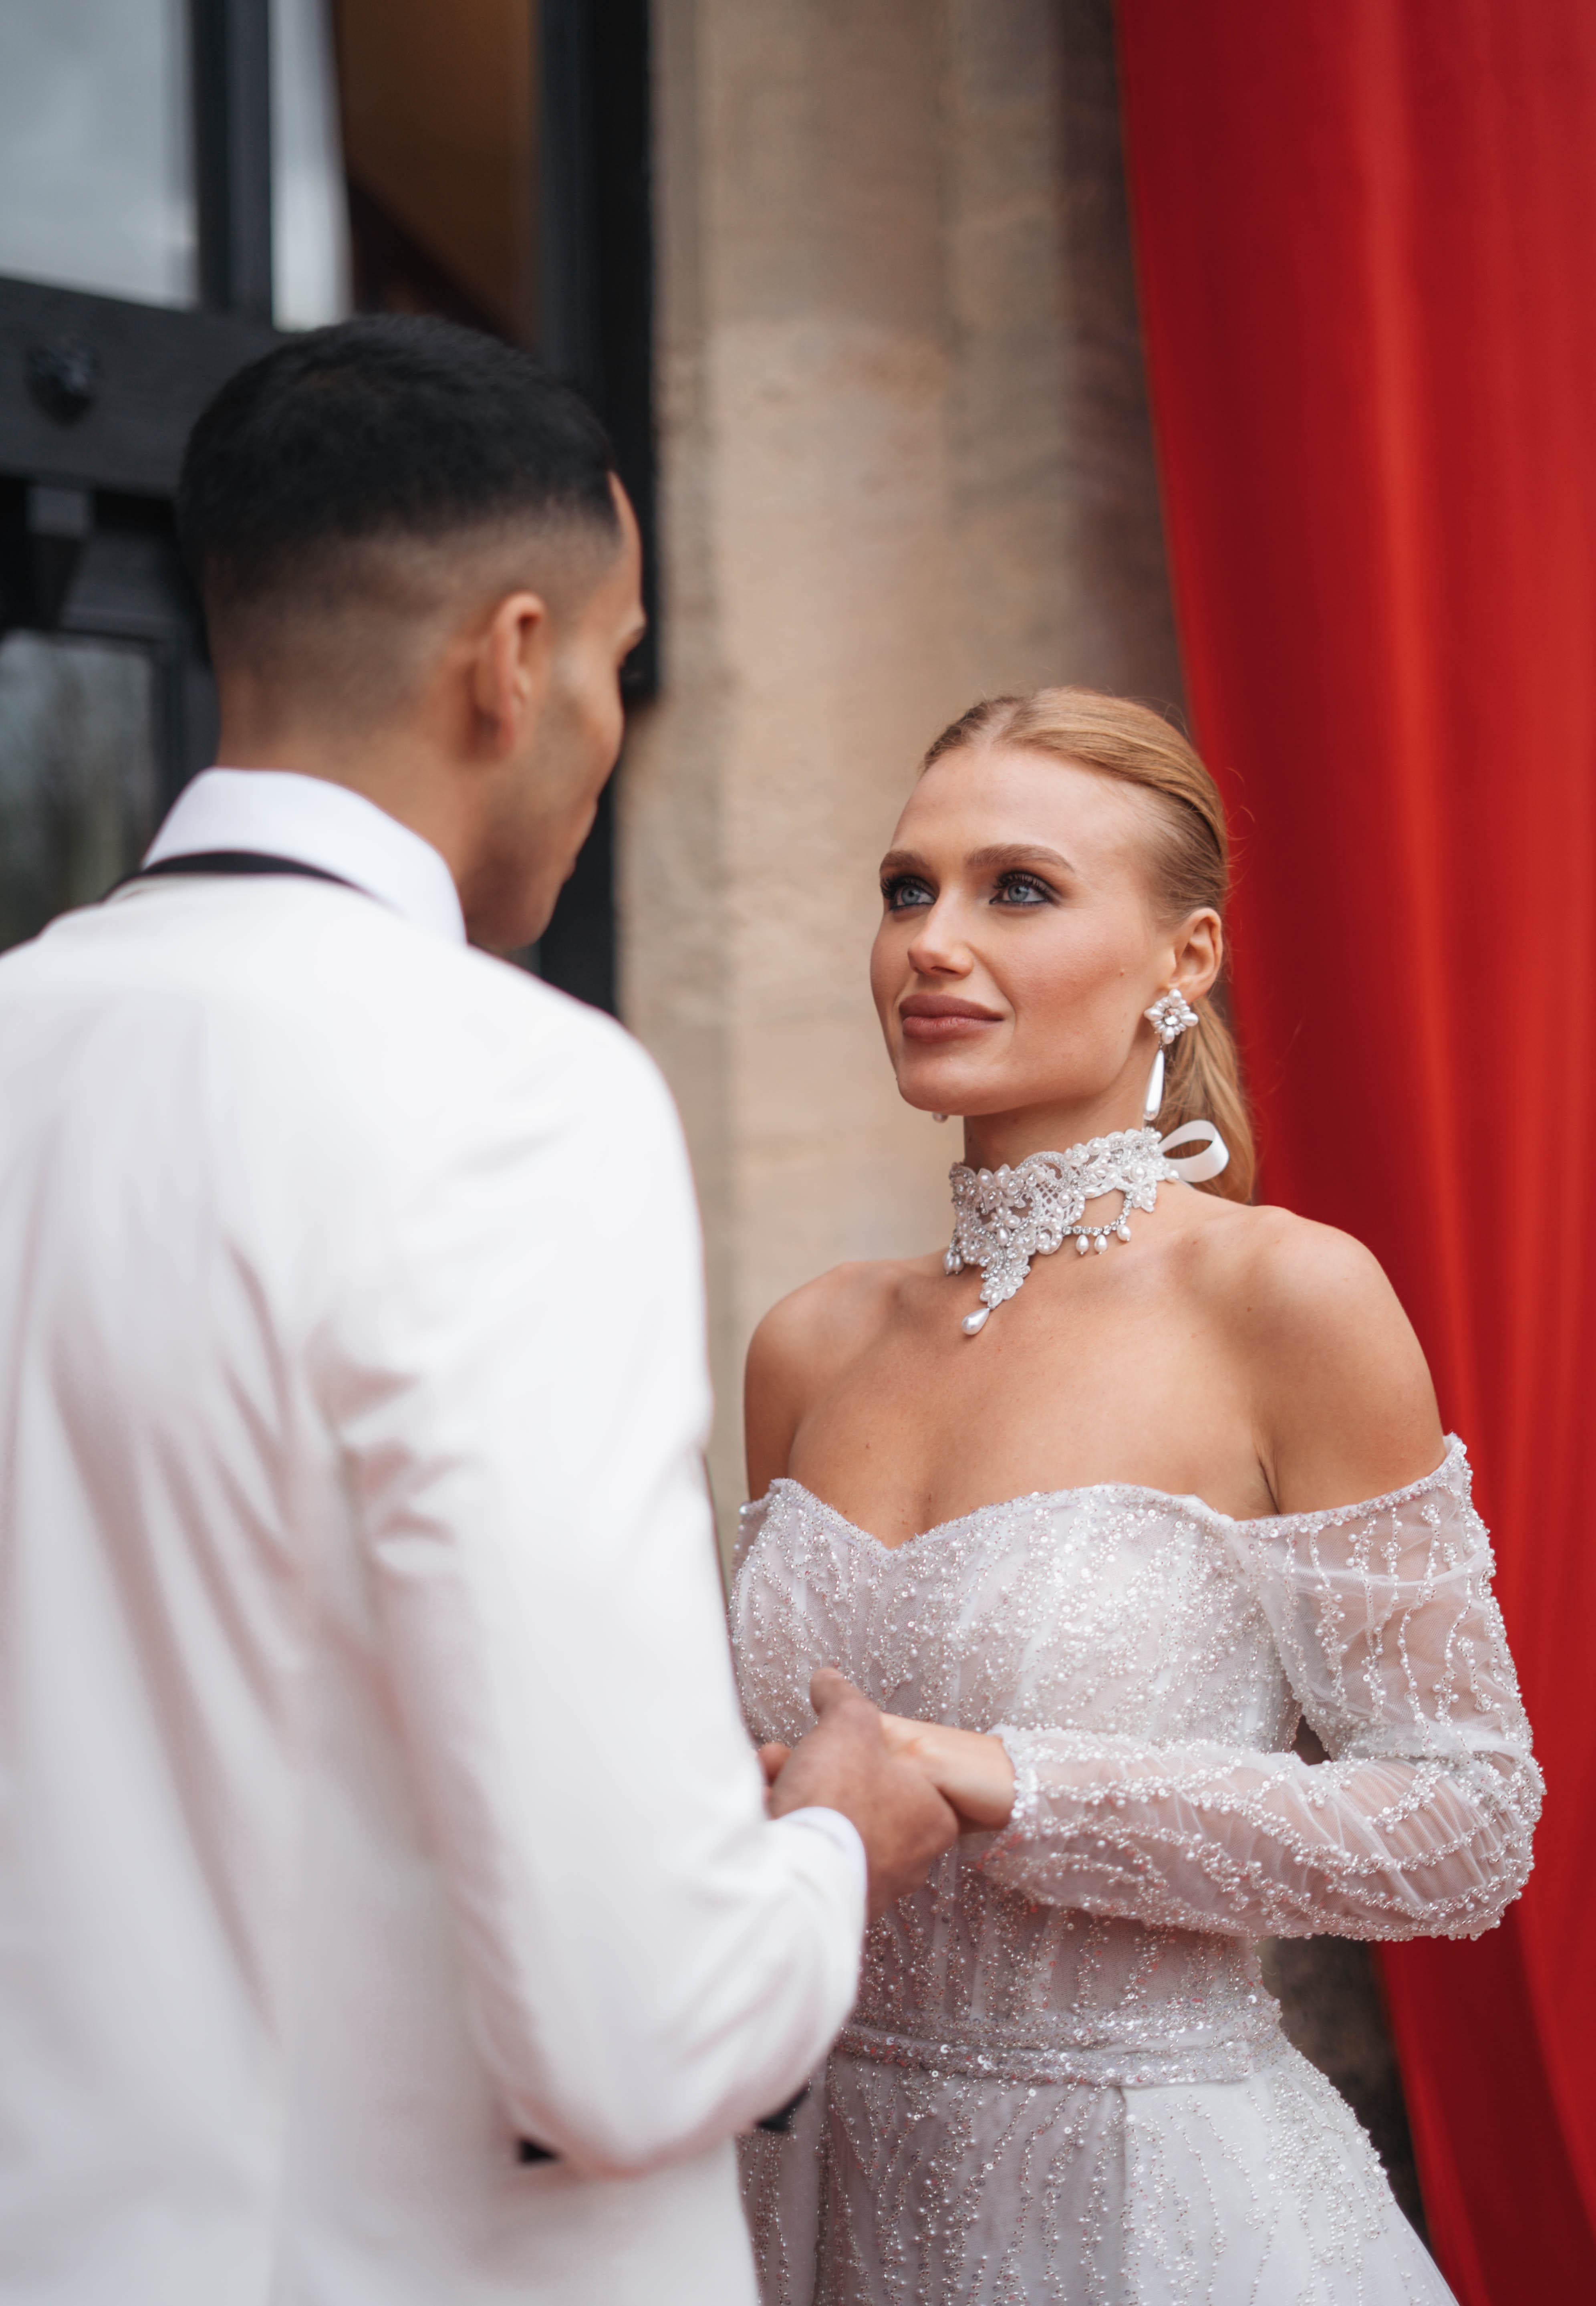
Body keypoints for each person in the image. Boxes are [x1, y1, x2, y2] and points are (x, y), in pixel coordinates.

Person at [0, 316, 959, 2306]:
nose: (609, 728)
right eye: (618, 661)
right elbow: (637, 2028)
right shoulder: (512, 1095)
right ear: (513, 662)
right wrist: (833, 1845)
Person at [732, 688, 1541, 2304]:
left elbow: (1464, 1822)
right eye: (908, 887)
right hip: (807, 2205)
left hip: (1158, 2215)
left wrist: (1006, 1777)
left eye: (1018, 888)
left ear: (1188, 957)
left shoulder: (1287, 1299)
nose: (932, 942)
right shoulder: (807, 1343)